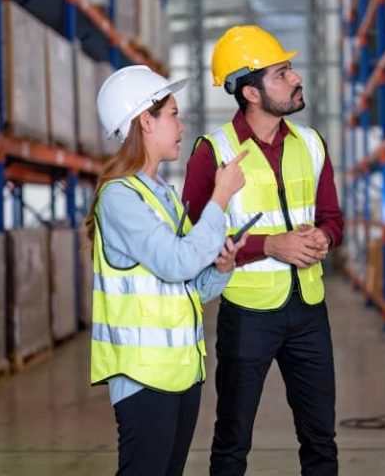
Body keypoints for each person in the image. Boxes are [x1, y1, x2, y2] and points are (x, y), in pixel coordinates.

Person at [182, 26, 344, 475]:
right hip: (247, 314)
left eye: (291, 70)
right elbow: (194, 242)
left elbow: (333, 218)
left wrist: (324, 238)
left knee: (321, 439)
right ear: (251, 91)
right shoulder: (212, 152)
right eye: (282, 73)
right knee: (232, 442)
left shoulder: (310, 143)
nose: (296, 80)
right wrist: (270, 245)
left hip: (309, 310)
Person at [86, 65, 249, 476]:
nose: (181, 125)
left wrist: (222, 268)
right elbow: (175, 262)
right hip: (143, 378)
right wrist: (220, 198)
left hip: (181, 372)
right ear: (146, 120)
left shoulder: (165, 198)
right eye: (173, 114)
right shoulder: (120, 198)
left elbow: (191, 286)